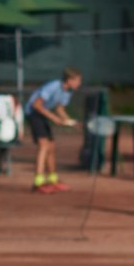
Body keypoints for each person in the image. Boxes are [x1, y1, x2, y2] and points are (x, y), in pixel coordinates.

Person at [25, 66, 82, 194]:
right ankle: (38, 182)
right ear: (69, 80)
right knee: (44, 145)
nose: (79, 84)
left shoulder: (68, 92)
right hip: (33, 112)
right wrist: (54, 119)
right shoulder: (53, 86)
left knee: (52, 146)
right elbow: (36, 105)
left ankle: (53, 180)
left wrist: (70, 121)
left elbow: (59, 108)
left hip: (43, 113)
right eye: (77, 81)